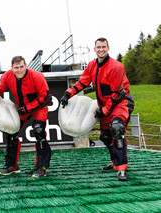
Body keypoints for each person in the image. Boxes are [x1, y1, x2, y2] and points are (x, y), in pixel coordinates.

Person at [61, 38, 134, 181]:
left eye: (104, 47)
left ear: (108, 48)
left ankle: (122, 168)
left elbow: (116, 94)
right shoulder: (92, 65)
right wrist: (68, 94)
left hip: (120, 103)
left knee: (117, 129)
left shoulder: (116, 67)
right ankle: (115, 161)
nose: (101, 49)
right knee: (105, 137)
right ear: (94, 49)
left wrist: (105, 111)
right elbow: (83, 81)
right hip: (105, 105)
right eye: (98, 47)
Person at [0, 56, 52, 178]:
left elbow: (45, 98)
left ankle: (42, 167)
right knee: (11, 132)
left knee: (39, 132)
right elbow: (0, 87)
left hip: (38, 108)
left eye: (21, 67)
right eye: (16, 68)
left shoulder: (37, 76)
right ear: (12, 68)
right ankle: (12, 166)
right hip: (22, 109)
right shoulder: (7, 76)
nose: (19, 70)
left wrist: (26, 108)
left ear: (26, 65)